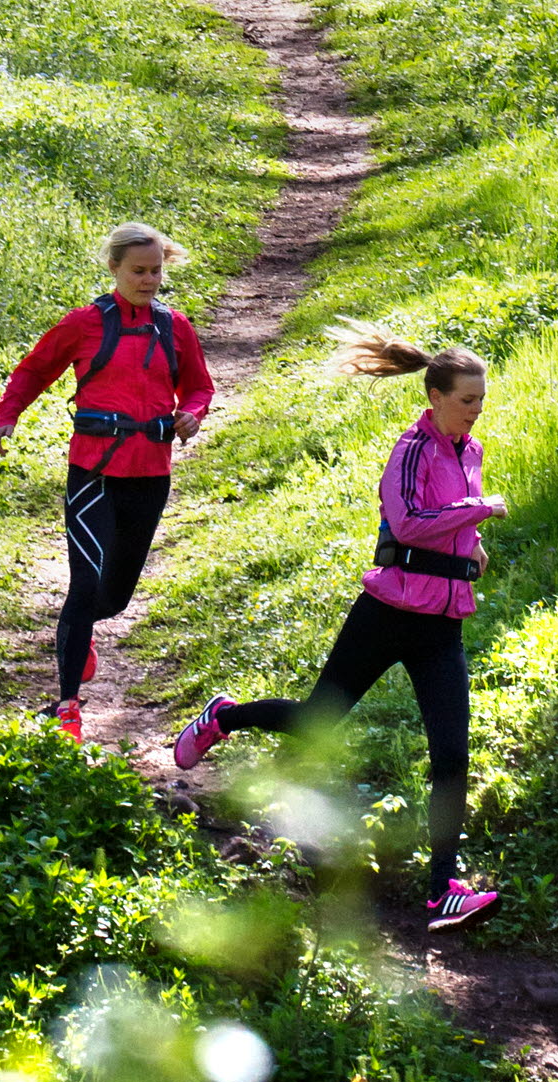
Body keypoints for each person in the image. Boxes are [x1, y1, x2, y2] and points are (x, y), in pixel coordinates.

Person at [170, 321, 507, 931]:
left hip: (441, 625)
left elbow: (453, 520)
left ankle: (441, 889)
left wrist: (473, 544)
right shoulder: (410, 450)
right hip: (387, 614)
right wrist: (477, 509)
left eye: (481, 400)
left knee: (452, 754)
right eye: (466, 401)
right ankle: (225, 716)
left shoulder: (471, 451)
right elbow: (407, 524)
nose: (475, 412)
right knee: (316, 720)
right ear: (435, 397)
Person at [0, 223, 215, 740]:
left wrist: (193, 413)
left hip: (150, 472)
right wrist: (8, 416)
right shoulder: (85, 324)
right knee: (84, 584)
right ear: (114, 268)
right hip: (93, 470)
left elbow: (199, 385)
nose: (150, 280)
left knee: (113, 598)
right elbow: (33, 370)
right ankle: (68, 706)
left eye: (157, 270)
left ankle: (82, 633)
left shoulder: (174, 327)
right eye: (139, 270)